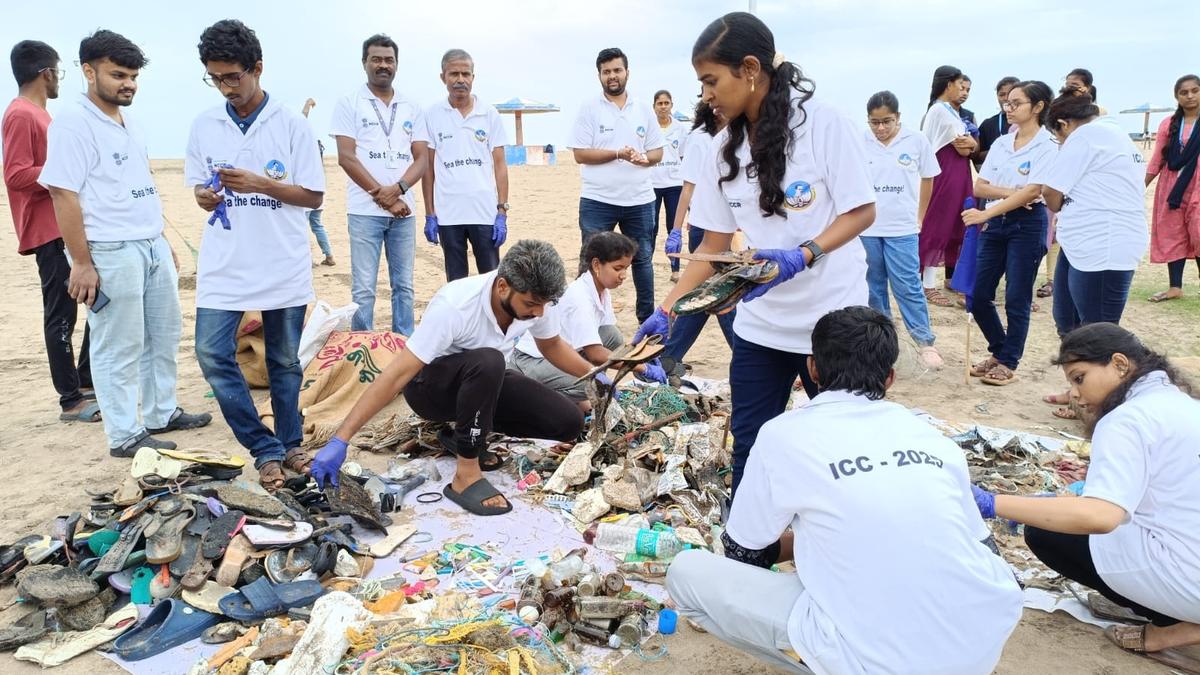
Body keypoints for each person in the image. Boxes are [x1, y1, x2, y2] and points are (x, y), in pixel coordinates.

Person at [667, 306, 1022, 675]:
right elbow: (982, 545)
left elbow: (745, 552)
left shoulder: (783, 434)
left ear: (813, 369)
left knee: (686, 573)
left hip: (880, 657)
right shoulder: (931, 436)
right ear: (889, 378)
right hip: (980, 639)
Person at [636, 12, 876, 496]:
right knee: (750, 445)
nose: (706, 95)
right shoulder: (722, 148)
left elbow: (861, 212)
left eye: (710, 81)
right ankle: (748, 550)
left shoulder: (824, 124)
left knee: (844, 450)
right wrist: (667, 310)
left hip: (831, 325)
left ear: (749, 69)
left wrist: (802, 255)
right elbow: (712, 247)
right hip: (761, 328)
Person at [971, 323, 1200, 673]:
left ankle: (1170, 625)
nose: (1075, 394)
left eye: (1079, 378)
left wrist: (993, 503)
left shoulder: (1126, 419)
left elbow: (1100, 516)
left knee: (1048, 533)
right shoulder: (1181, 403)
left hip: (1189, 577)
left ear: (1120, 364)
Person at [309, 240, 593, 516]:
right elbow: (397, 374)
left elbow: (551, 345)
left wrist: (595, 376)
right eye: (532, 303)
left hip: (484, 383)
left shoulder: (537, 300)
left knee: (568, 422)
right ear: (503, 286)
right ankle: (465, 475)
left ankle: (462, 438)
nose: (539, 312)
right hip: (429, 390)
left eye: (544, 304)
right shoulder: (456, 305)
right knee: (489, 360)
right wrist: (341, 439)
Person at [40, 30, 210, 457]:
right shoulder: (74, 123)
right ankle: (124, 434)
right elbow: (63, 193)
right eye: (118, 74)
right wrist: (81, 262)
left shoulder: (129, 121)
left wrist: (161, 238)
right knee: (119, 344)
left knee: (163, 334)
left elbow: (140, 186)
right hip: (110, 250)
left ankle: (161, 411)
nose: (128, 83)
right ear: (88, 70)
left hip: (149, 244)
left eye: (133, 76)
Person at [186, 19, 325, 491]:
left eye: (233, 77)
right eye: (215, 78)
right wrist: (206, 198)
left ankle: (289, 444)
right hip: (225, 263)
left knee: (284, 363)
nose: (225, 87)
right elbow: (198, 188)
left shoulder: (291, 126)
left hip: (281, 261)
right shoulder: (204, 124)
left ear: (257, 68)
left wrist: (263, 184)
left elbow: (313, 196)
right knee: (210, 352)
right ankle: (262, 447)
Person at [3, 40, 97, 423]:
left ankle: (87, 380)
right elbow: (15, 174)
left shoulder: (42, 115)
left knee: (96, 300)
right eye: (58, 71)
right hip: (47, 231)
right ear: (46, 73)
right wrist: (65, 171)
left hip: (67, 225)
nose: (60, 78)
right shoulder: (21, 115)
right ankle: (70, 399)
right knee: (62, 314)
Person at [960, 81, 1057, 386]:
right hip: (996, 223)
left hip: (1027, 225)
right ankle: (1000, 350)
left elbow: (1034, 192)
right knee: (977, 295)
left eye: (1017, 103)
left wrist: (989, 210)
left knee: (1017, 297)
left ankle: (1009, 361)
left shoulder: (1048, 144)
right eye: (1007, 103)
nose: (1009, 108)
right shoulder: (1002, 143)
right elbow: (980, 185)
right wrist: (1010, 193)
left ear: (1038, 107)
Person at [331, 34, 428, 336]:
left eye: (389, 60)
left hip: (404, 211)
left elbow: (422, 158)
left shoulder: (411, 106)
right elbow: (347, 158)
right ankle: (364, 348)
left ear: (396, 64)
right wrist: (383, 197)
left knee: (405, 287)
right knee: (364, 290)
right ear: (365, 63)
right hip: (364, 212)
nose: (383, 65)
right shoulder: (349, 103)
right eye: (376, 59)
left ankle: (404, 349)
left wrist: (398, 190)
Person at [510, 232, 665, 407]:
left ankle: (575, 395)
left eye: (626, 269)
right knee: (595, 386)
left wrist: (641, 356)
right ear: (596, 264)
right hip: (533, 362)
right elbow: (596, 355)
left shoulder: (601, 291)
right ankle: (554, 398)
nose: (623, 275)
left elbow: (610, 342)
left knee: (611, 335)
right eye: (617, 268)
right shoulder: (580, 298)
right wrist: (642, 368)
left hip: (564, 349)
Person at [568, 47, 664, 323]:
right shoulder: (589, 108)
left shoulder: (644, 108)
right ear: (599, 75)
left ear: (627, 72)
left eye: (617, 70)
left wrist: (643, 159)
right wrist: (617, 154)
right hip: (598, 200)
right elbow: (580, 154)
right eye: (606, 71)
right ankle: (584, 318)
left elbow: (657, 152)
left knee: (643, 260)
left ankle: (647, 320)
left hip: (640, 200)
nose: (612, 76)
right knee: (591, 262)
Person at [860, 90, 943, 369]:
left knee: (907, 285)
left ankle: (924, 342)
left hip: (902, 227)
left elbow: (928, 178)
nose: (880, 128)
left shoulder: (916, 140)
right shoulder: (860, 142)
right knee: (873, 287)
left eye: (887, 121)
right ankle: (881, 344)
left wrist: (920, 216)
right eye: (874, 122)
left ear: (898, 118)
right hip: (867, 227)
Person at [419, 49, 509, 282]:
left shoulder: (489, 114)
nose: (460, 79)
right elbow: (427, 169)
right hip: (449, 215)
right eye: (454, 74)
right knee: (456, 283)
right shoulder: (431, 115)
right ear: (443, 77)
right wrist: (430, 213)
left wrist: (502, 211)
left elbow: (500, 166)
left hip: (484, 213)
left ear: (473, 77)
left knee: (490, 281)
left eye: (465, 74)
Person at [660, 100, 735, 366]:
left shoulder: (739, 134)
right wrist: (676, 229)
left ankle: (669, 355)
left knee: (705, 295)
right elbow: (688, 189)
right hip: (707, 228)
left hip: (736, 226)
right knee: (723, 293)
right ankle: (745, 356)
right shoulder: (700, 139)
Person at [918, 65, 977, 308]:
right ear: (948, 84)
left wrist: (970, 144)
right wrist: (971, 143)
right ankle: (926, 284)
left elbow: (969, 144)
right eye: (959, 84)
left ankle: (945, 281)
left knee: (954, 227)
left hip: (956, 173)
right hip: (945, 173)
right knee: (938, 227)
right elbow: (964, 146)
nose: (962, 90)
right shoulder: (941, 111)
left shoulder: (949, 111)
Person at [1146, 74, 1200, 302]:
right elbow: (1157, 158)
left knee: (1198, 233)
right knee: (1172, 233)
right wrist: (1140, 186)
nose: (1190, 96)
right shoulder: (1169, 124)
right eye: (1184, 92)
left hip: (1197, 186)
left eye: (1195, 90)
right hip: (1172, 188)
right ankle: (1175, 287)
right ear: (1176, 97)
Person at [651, 89, 685, 282]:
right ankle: (647, 265)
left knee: (674, 227)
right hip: (653, 183)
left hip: (674, 183)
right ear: (654, 106)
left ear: (671, 105)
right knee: (651, 227)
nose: (663, 107)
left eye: (666, 103)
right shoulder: (649, 126)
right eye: (659, 103)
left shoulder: (680, 128)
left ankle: (675, 269)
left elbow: (682, 155)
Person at [300, 97, 335, 266]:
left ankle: (310, 260)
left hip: (306, 194)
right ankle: (329, 256)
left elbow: (301, 123)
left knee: (302, 227)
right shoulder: (317, 154)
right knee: (317, 225)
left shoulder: (304, 152)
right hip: (318, 193)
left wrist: (306, 107)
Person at [975, 76, 1020, 169]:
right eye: (1002, 94)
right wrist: (998, 151)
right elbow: (976, 158)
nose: (1006, 98)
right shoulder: (987, 124)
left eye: (1010, 93)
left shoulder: (1031, 120)